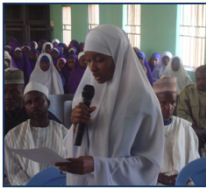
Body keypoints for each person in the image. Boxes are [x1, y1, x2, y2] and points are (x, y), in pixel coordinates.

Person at [55, 24, 164, 185]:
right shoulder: (86, 93)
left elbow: (149, 164)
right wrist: (76, 124)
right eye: (88, 60)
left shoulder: (142, 101)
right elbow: (74, 146)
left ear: (118, 56)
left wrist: (98, 165)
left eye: (100, 60)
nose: (92, 68)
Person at [4, 81, 68, 186]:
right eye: (29, 102)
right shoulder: (12, 136)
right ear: (25, 107)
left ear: (48, 103)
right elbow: (14, 172)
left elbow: (69, 167)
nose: (34, 105)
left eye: (38, 100)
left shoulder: (64, 133)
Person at [153, 76, 200, 185]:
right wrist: (162, 178)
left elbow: (194, 160)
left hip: (183, 181)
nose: (169, 107)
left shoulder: (185, 128)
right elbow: (141, 165)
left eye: (172, 102)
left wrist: (185, 177)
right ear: (154, 102)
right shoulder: (146, 128)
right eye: (163, 103)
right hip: (155, 181)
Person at [176, 65, 206, 151]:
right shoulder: (187, 92)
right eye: (198, 79)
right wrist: (193, 128)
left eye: (204, 79)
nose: (200, 82)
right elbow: (182, 112)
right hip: (191, 131)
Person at [4, 68, 61, 136]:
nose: (8, 97)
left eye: (14, 91)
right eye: (3, 91)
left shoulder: (36, 112)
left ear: (23, 91)